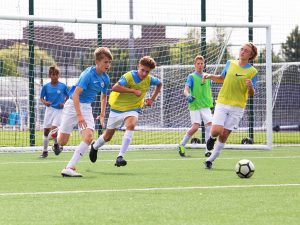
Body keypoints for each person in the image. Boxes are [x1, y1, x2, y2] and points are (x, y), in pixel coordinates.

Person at [89, 56, 162, 167]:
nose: (144, 74)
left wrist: (152, 99)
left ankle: (120, 157)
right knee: (107, 137)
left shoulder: (150, 79)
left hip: (133, 108)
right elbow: (115, 87)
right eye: (142, 70)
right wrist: (133, 91)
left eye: (147, 72)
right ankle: (94, 147)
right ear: (138, 66)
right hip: (117, 109)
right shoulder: (129, 76)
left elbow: (159, 84)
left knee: (131, 125)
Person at [54, 47, 113, 177]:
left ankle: (69, 167)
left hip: (86, 107)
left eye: (109, 62)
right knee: (63, 141)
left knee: (89, 137)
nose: (108, 65)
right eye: (105, 62)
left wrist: (102, 114)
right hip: (72, 105)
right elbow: (75, 95)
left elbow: (104, 96)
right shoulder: (88, 75)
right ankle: (57, 137)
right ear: (97, 62)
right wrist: (79, 116)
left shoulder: (106, 79)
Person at [203, 42, 258, 169]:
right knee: (216, 131)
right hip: (222, 102)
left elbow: (251, 93)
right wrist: (211, 76)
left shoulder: (252, 71)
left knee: (224, 135)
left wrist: (250, 87)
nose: (243, 51)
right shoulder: (230, 63)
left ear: (250, 55)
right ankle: (211, 138)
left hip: (237, 107)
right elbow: (222, 78)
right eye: (242, 49)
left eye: (246, 51)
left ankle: (210, 159)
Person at [178, 55, 213, 157]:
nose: (200, 65)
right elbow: (186, 90)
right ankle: (182, 144)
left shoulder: (208, 77)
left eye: (202, 63)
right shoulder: (191, 76)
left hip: (205, 105)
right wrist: (188, 95)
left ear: (204, 64)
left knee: (209, 126)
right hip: (195, 105)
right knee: (195, 127)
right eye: (198, 63)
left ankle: (207, 150)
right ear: (195, 65)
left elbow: (208, 91)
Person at [40, 65, 69, 158]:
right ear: (49, 76)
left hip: (59, 111)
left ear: (58, 75)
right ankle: (45, 151)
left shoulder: (63, 86)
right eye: (53, 74)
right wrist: (45, 102)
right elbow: (41, 98)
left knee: (54, 129)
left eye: (56, 74)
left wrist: (64, 103)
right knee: (46, 131)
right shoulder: (46, 87)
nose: (55, 76)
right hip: (49, 110)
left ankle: (56, 144)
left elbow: (69, 96)